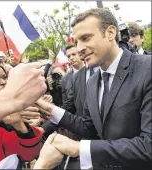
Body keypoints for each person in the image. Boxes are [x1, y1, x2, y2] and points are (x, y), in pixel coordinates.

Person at [35, 8, 152, 170]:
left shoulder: (147, 68)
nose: (79, 48)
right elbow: (89, 127)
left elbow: (148, 145)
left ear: (110, 33)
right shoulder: (91, 82)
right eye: (76, 41)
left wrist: (79, 149)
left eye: (85, 38)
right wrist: (51, 109)